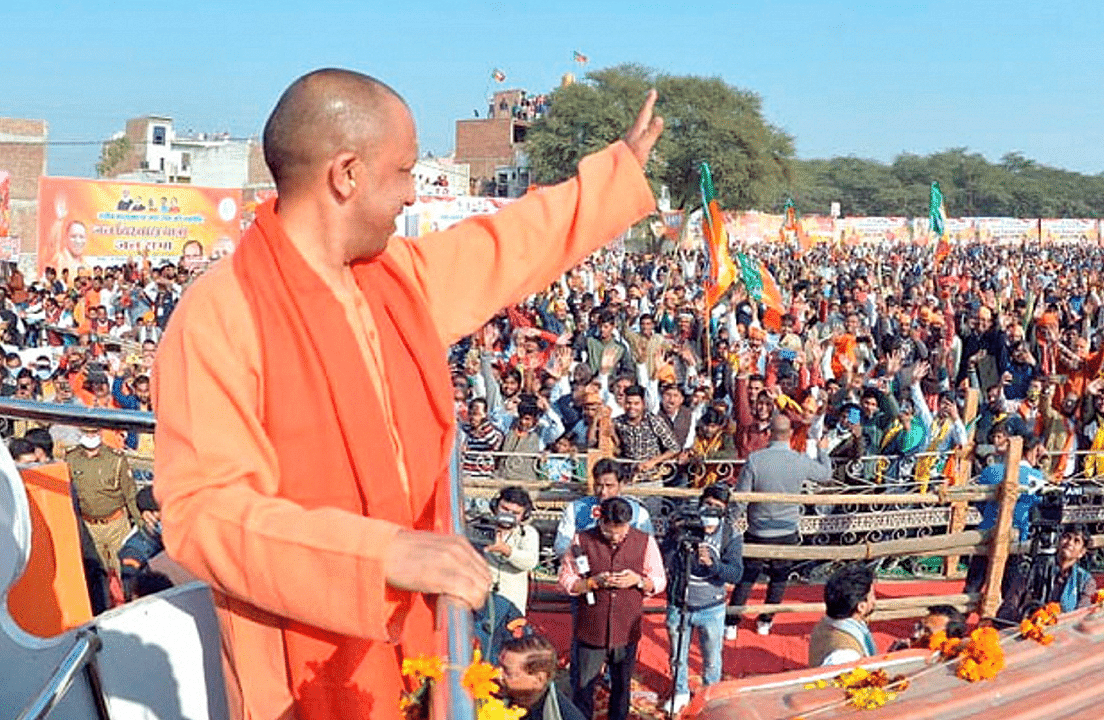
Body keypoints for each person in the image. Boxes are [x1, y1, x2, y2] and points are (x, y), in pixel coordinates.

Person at [153, 68, 663, 720]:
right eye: (404, 171)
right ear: (347, 173)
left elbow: (505, 246)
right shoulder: (221, 314)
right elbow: (205, 516)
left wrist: (615, 176)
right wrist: (384, 554)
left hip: (417, 645)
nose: (412, 193)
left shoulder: (393, 278)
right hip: (299, 668)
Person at [558, 497, 666, 720]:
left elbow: (659, 579)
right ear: (600, 521)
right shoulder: (582, 540)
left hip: (626, 628)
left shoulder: (645, 541)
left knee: (621, 686)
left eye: (621, 531)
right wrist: (591, 583)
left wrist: (637, 580)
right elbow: (566, 578)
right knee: (584, 686)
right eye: (609, 532)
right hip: (591, 626)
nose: (615, 537)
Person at [727, 414, 831, 638]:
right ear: (791, 434)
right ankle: (765, 621)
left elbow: (741, 497)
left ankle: (731, 622)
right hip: (787, 529)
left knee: (747, 576)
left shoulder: (756, 459)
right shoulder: (800, 460)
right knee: (779, 578)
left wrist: (731, 521)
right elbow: (826, 475)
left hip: (758, 529)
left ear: (769, 433)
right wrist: (823, 450)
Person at [661, 483, 743, 714]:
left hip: (712, 607)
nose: (710, 512)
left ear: (725, 511)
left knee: (712, 659)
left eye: (717, 508)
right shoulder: (685, 525)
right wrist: (674, 537)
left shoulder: (730, 534)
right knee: (678, 656)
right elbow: (663, 558)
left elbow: (736, 573)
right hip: (680, 604)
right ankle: (680, 691)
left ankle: (710, 694)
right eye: (707, 505)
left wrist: (714, 565)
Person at [963, 434, 1049, 595]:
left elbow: (979, 502)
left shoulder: (990, 470)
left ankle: (961, 617)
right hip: (1017, 535)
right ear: (1032, 451)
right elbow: (1037, 506)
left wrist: (990, 515)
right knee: (1009, 591)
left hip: (987, 530)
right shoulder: (1036, 477)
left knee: (973, 586)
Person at [65, 426, 149, 575]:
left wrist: (141, 524)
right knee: (96, 573)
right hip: (90, 527)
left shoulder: (115, 459)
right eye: (86, 432)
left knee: (127, 571)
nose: (90, 436)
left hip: (116, 525)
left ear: (100, 433)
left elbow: (130, 494)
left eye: (94, 432)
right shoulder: (71, 459)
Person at [553, 457, 653, 557]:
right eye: (599, 485)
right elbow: (561, 546)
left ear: (621, 485)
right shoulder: (576, 509)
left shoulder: (638, 513)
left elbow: (648, 548)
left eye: (609, 486)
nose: (603, 492)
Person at [996, 524, 1097, 622]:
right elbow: (1008, 608)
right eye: (1067, 537)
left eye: (1076, 541)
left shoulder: (1085, 581)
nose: (1070, 543)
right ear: (1059, 541)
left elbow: (1081, 616)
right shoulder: (1033, 568)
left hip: (1064, 632)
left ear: (1082, 553)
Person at [498, 634, 586, 720]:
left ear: (539, 679)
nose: (497, 674)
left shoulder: (563, 715)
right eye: (499, 666)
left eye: (507, 672)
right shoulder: (492, 696)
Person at [483, 485, 541, 614]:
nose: (508, 515)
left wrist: (506, 550)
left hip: (512, 607)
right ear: (495, 506)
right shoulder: (480, 527)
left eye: (515, 513)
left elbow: (530, 561)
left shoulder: (528, 533)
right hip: (481, 601)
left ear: (524, 515)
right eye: (505, 509)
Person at [809, 563, 878, 667]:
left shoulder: (825, 624)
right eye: (872, 595)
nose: (874, 601)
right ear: (861, 607)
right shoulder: (846, 656)